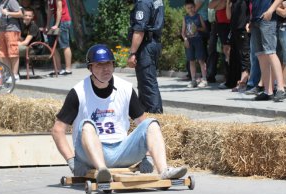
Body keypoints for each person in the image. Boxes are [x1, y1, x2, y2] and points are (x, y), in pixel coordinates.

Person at [51, 44, 188, 182]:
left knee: (151, 124)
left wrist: (148, 156)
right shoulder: (78, 92)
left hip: (121, 151)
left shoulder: (125, 88)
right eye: (99, 65)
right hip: (90, 155)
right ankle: (102, 171)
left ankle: (164, 170)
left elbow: (143, 126)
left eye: (109, 64)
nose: (105, 69)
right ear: (90, 68)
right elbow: (58, 130)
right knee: (87, 125)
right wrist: (71, 160)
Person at [127, 0, 164, 114]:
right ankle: (144, 114)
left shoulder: (143, 3)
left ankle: (154, 115)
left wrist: (132, 53)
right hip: (154, 42)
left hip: (146, 45)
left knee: (147, 82)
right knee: (145, 82)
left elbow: (139, 30)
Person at [251, 0, 286, 102]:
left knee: (271, 53)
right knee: (261, 56)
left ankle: (280, 89)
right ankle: (268, 91)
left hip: (267, 19)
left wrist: (270, 10)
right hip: (255, 20)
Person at [0, 0, 23, 83]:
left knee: (13, 53)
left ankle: (15, 75)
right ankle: (8, 74)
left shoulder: (11, 1)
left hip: (12, 29)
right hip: (2, 29)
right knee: (2, 54)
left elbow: (20, 14)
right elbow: (2, 15)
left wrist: (8, 13)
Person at [226, 0, 250, 92]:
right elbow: (229, 16)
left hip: (243, 29)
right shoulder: (233, 1)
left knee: (245, 56)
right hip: (234, 30)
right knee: (237, 57)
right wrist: (228, 3)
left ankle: (244, 83)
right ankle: (240, 81)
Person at [182, 0, 207, 88]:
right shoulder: (185, 18)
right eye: (188, 8)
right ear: (186, 8)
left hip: (198, 40)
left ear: (194, 7)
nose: (190, 9)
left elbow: (204, 28)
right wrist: (185, 39)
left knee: (201, 60)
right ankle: (193, 80)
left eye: (192, 7)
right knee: (191, 60)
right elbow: (183, 32)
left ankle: (204, 79)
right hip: (189, 41)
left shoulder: (198, 16)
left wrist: (197, 28)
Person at [46, 0, 72, 76]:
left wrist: (57, 25)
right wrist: (47, 25)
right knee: (53, 46)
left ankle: (68, 69)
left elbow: (59, 9)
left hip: (63, 21)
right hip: (56, 21)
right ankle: (58, 69)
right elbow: (50, 12)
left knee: (64, 45)